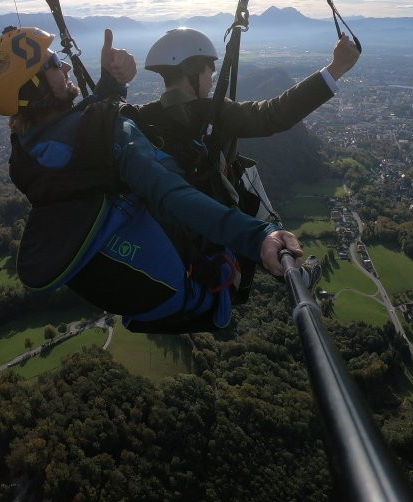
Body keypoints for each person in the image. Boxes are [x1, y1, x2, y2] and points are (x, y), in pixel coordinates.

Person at [0, 25, 314, 334]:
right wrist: (257, 237)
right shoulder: (111, 133)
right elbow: (169, 192)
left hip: (138, 280)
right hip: (194, 269)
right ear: (35, 90)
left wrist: (111, 84)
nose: (64, 66)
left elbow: (76, 147)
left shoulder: (26, 155)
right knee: (229, 179)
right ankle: (285, 265)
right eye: (52, 65)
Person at [130, 26, 360, 301]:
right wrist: (335, 69)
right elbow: (273, 114)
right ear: (193, 73)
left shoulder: (144, 119)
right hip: (220, 211)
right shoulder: (211, 113)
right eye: (208, 73)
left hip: (175, 225)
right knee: (246, 176)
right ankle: (292, 268)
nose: (212, 80)